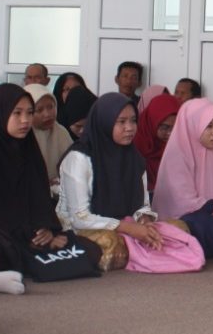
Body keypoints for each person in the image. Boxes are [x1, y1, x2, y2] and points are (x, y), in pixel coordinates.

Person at [0, 84, 98, 275]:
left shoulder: (29, 150)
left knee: (91, 248)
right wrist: (27, 235)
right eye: (17, 113)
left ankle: (34, 249)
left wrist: (46, 229)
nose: (25, 120)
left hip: (28, 231)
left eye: (29, 113)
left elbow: (39, 200)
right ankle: (31, 250)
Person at [57, 93, 197, 271]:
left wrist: (145, 220)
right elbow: (80, 218)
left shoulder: (134, 158)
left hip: (128, 224)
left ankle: (136, 248)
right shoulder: (79, 158)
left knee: (179, 227)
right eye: (121, 122)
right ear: (104, 122)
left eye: (133, 121)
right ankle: (136, 248)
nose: (130, 128)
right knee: (110, 243)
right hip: (82, 229)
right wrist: (128, 228)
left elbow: (142, 205)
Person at [152, 98, 213, 257]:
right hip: (186, 218)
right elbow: (183, 202)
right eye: (209, 126)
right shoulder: (177, 156)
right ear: (192, 124)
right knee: (198, 223)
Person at [23, 84, 73, 187]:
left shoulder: (61, 132)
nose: (47, 114)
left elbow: (73, 166)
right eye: (39, 110)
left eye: (51, 107)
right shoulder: (22, 135)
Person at [135, 93, 180, 192]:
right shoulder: (135, 148)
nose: (170, 133)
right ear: (152, 122)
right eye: (165, 127)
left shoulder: (182, 148)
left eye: (175, 127)